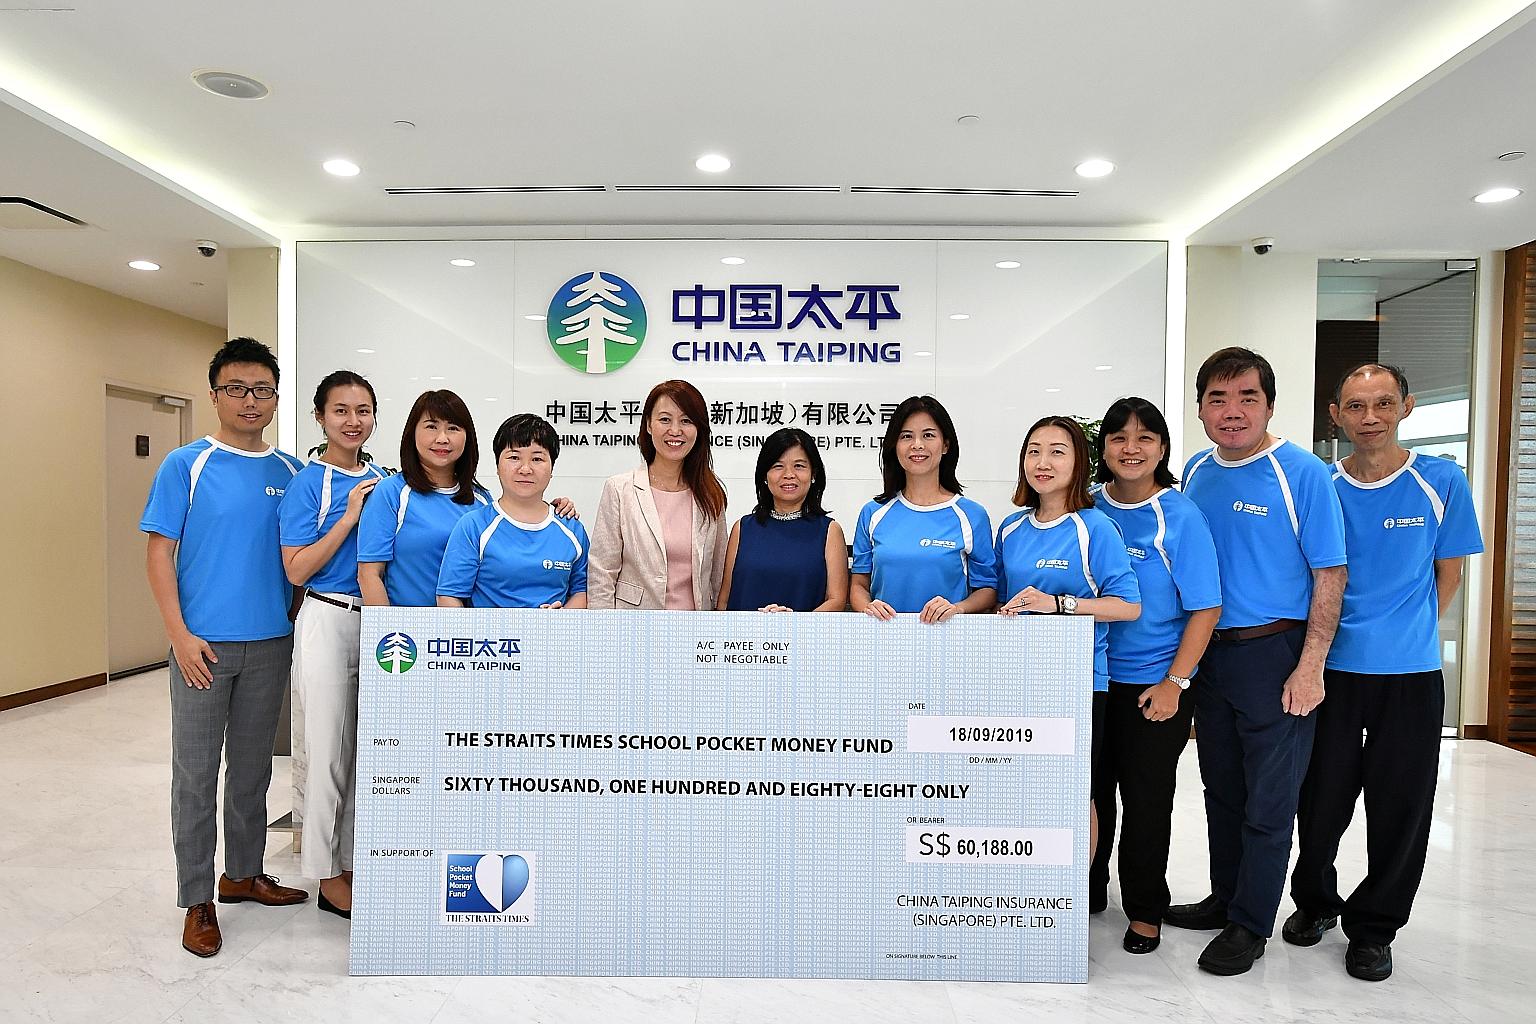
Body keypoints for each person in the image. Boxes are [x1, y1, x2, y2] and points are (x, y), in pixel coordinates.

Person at [1283, 365, 1483, 982]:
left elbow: (1448, 573)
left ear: (1407, 407)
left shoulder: (1440, 480)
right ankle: (1315, 903)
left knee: (1401, 807)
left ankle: (1374, 929)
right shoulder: (1323, 484)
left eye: (1383, 403)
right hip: (1331, 673)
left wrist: (1406, 631)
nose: (1370, 416)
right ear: (1335, 414)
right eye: (1356, 406)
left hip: (1409, 676)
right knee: (1319, 803)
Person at [1166, 347, 1347, 977]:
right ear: (1200, 409)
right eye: (1218, 398)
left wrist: (1311, 664)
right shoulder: (1195, 470)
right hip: (1209, 656)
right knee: (1222, 789)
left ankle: (1250, 924)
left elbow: (1330, 572)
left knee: (1271, 801)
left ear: (1269, 403)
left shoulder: (1302, 473)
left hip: (1275, 652)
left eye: (1247, 397)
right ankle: (1225, 898)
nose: (1232, 411)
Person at [140, 337, 309, 959]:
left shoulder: (291, 472)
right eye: (236, 389)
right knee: (195, 776)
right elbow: (159, 553)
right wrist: (179, 636)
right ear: (215, 395)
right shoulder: (186, 464)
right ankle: (196, 899)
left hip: (270, 644)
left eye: (262, 390)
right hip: (201, 649)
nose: (249, 401)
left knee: (254, 772)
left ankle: (241, 874)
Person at [1087, 398, 1222, 955]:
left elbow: (1206, 607)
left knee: (1145, 799)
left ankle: (1145, 909)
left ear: (1163, 448)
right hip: (1087, 681)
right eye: (1118, 437)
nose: (1131, 448)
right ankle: (1089, 889)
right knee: (1090, 793)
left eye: (1145, 438)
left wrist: (1176, 683)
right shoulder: (1086, 508)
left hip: (1152, 684)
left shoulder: (1180, 514)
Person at [994, 415, 1141, 869]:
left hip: (1078, 682)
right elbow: (1003, 600)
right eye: (1034, 450)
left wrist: (1060, 605)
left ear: (1079, 462)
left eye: (1058, 451)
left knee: (1077, 794)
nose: (1043, 462)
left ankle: (1072, 899)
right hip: (1018, 681)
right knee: (1024, 792)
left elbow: (1128, 605)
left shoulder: (1093, 528)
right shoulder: (1010, 529)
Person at [277, 370, 386, 920]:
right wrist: (347, 518)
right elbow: (296, 569)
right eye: (340, 410)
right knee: (324, 752)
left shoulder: (386, 477)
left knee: (365, 754)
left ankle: (350, 860)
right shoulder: (307, 481)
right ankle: (324, 875)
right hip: (327, 616)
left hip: (380, 624)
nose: (353, 421)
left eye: (363, 410)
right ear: (319, 416)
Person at [850, 395, 996, 622]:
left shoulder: (971, 515)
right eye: (906, 436)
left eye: (928, 435)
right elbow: (859, 584)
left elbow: (987, 590)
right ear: (894, 446)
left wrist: (957, 608)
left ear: (945, 445)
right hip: (883, 641)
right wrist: (869, 608)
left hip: (949, 644)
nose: (917, 445)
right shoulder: (873, 513)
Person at [589, 380, 729, 609]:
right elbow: (601, 574)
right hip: (632, 630)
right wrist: (605, 636)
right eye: (665, 419)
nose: (675, 430)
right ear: (648, 425)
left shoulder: (710, 494)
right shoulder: (620, 489)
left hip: (695, 633)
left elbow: (718, 576)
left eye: (686, 420)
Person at [437, 413, 589, 610]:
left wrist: (560, 622)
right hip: (490, 640)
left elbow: (582, 591)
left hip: (554, 639)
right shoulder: (474, 526)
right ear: (497, 466)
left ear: (552, 468)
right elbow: (449, 596)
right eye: (514, 457)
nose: (525, 469)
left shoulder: (571, 527)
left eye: (537, 458)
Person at [717, 428, 849, 612]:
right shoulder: (742, 528)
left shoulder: (829, 530)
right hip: (744, 639)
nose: (788, 474)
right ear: (764, 475)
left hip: (803, 638)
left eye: (799, 466)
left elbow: (836, 600)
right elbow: (724, 601)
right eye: (778, 466)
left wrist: (791, 627)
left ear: (814, 474)